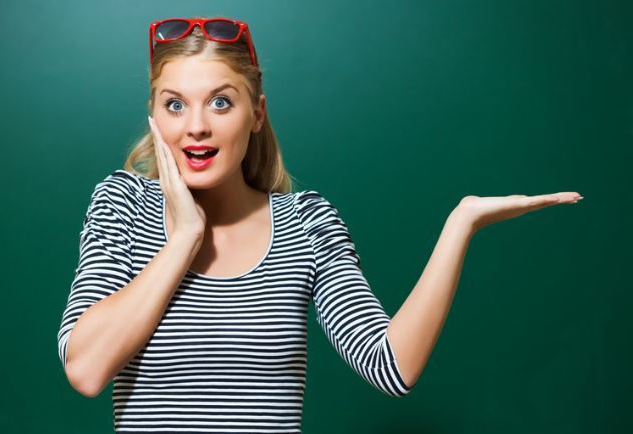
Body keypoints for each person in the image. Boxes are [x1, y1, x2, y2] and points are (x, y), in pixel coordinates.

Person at [57, 16, 583, 433]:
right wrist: (185, 240)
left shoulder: (306, 222)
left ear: (256, 113)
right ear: (154, 115)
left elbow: (392, 367)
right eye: (175, 105)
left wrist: (460, 223)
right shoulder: (121, 203)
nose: (197, 126)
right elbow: (85, 369)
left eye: (221, 102)